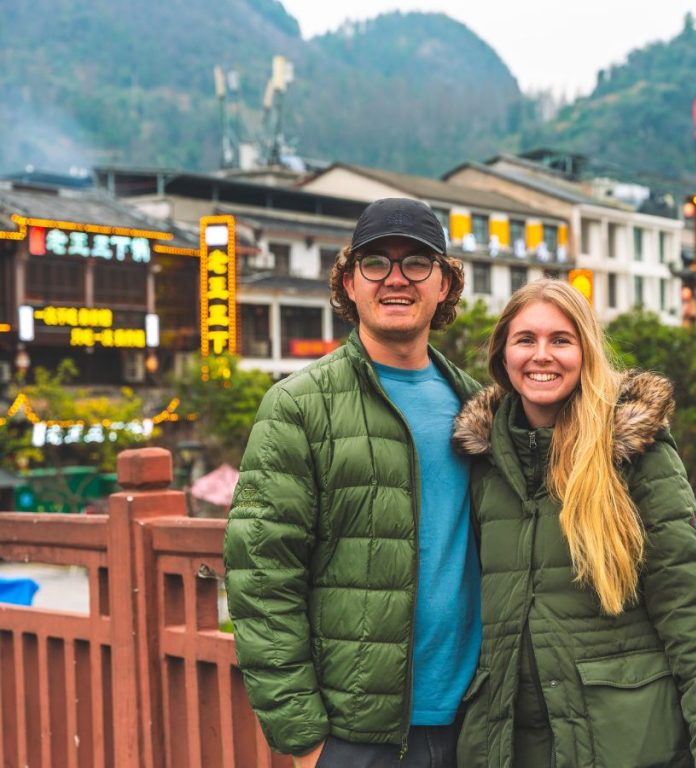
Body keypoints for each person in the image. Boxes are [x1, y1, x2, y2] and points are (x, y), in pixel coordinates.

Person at [224, 198, 481, 768]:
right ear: (349, 281)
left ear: (444, 284)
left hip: (476, 723)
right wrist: (308, 742)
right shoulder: (298, 405)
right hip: (355, 736)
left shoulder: (480, 407)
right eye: (375, 263)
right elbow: (262, 580)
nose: (396, 279)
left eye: (417, 263)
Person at [452, 279, 696, 767]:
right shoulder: (484, 464)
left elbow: (693, 628)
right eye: (526, 340)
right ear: (503, 355)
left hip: (624, 744)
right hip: (510, 746)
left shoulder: (634, 454)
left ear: (586, 352)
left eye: (560, 340)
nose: (541, 355)